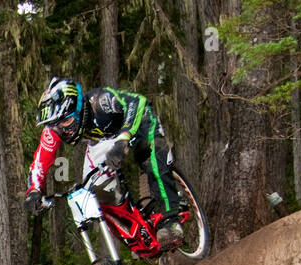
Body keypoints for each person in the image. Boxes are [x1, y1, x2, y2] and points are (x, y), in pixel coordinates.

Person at [24, 77, 186, 249]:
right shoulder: (54, 129)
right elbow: (39, 163)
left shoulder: (100, 101)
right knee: (91, 191)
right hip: (102, 141)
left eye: (66, 121)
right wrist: (34, 191)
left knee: (150, 156)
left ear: (78, 108)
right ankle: (138, 235)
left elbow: (137, 102)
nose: (63, 130)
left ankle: (170, 220)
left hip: (137, 122)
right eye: (56, 125)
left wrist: (124, 138)